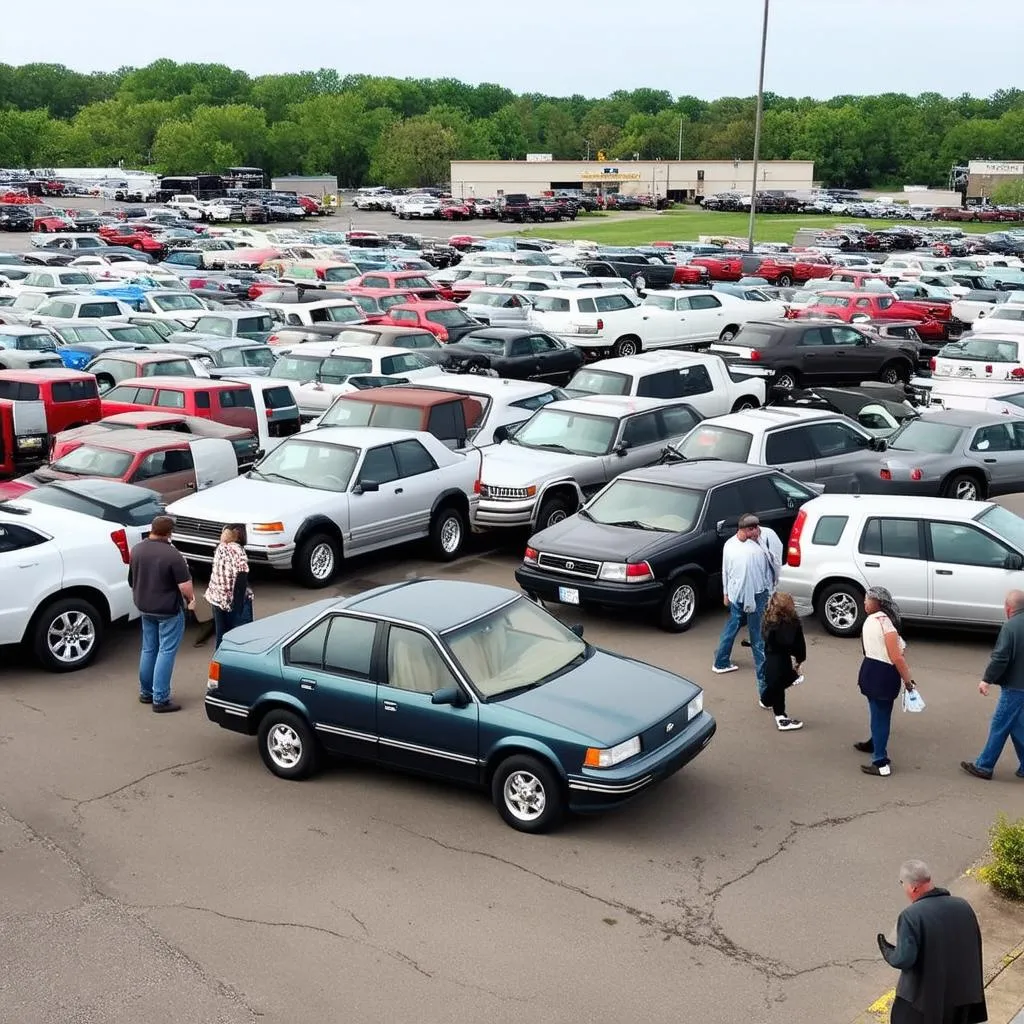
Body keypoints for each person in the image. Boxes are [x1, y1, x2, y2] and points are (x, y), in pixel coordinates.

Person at [877, 859, 986, 1024]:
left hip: (924, 1003)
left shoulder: (912, 915)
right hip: (963, 999)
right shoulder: (963, 906)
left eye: (902, 883)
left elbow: (904, 959)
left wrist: (887, 950)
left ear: (913, 887)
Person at [127, 515, 194, 713]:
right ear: (169, 533)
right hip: (168, 610)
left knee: (148, 649)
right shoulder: (172, 555)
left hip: (144, 607)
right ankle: (161, 698)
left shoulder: (137, 549)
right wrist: (191, 600)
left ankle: (146, 692)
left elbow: (132, 579)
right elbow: (185, 586)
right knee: (166, 652)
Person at [713, 513, 779, 704]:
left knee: (733, 624)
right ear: (748, 530)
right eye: (756, 528)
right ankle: (764, 693)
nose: (759, 532)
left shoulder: (730, 544)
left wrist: (726, 594)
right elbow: (767, 572)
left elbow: (725, 570)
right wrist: (767, 594)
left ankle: (721, 661)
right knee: (758, 643)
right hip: (754, 597)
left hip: (735, 595)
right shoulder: (754, 551)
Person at [961, 588, 1024, 781]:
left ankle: (984, 766)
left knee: (1000, 724)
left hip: (1015, 687)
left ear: (1008, 608)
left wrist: (986, 679)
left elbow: (1000, 658)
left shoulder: (1011, 627)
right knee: (1016, 726)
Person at [856, 586, 915, 777]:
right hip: (883, 675)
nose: (864, 602)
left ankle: (879, 759)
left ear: (877, 602)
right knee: (881, 716)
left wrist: (907, 680)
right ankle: (878, 751)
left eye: (867, 599)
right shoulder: (886, 623)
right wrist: (908, 680)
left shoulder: (873, 622)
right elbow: (898, 657)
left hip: (872, 672)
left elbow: (893, 656)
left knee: (877, 714)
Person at [761, 591, 806, 731]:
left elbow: (765, 638)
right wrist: (800, 659)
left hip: (771, 655)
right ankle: (781, 717)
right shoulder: (793, 622)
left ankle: (766, 700)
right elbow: (798, 643)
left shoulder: (768, 619)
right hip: (784, 656)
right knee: (780, 684)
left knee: (774, 682)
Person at [205, 524, 253, 648]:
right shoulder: (238, 551)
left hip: (216, 597)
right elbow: (241, 579)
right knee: (239, 636)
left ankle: (218, 660)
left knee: (221, 635)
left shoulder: (219, 548)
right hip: (232, 598)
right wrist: (238, 605)